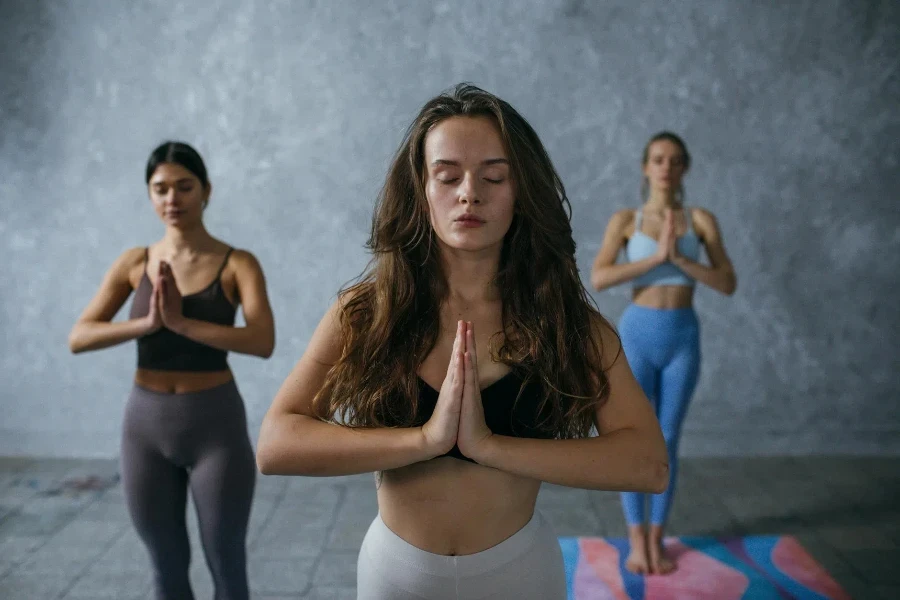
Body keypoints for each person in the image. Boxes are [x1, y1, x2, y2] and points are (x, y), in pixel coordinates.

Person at [257, 84, 668, 599]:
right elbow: (275, 445)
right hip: (396, 573)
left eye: (494, 176)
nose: (469, 193)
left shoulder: (568, 324)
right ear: (421, 189)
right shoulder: (364, 314)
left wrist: (491, 447)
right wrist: (425, 440)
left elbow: (648, 465)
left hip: (519, 572)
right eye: (447, 176)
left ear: (521, 191)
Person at [68, 141, 276, 599]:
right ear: (149, 195)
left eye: (184, 187)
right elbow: (79, 337)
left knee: (226, 563)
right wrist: (147, 324)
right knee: (166, 567)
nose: (172, 199)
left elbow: (262, 341)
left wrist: (183, 323)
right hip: (145, 428)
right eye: (160, 189)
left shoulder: (237, 263)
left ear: (206, 191)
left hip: (214, 427)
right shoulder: (133, 263)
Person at [590, 131, 737, 575]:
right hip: (638, 334)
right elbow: (600, 278)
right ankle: (636, 539)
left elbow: (727, 282)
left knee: (669, 439)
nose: (666, 168)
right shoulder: (626, 220)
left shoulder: (701, 220)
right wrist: (656, 259)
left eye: (674, 160)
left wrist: (681, 259)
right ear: (646, 167)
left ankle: (657, 539)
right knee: (634, 436)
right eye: (658, 159)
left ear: (684, 168)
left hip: (682, 336)